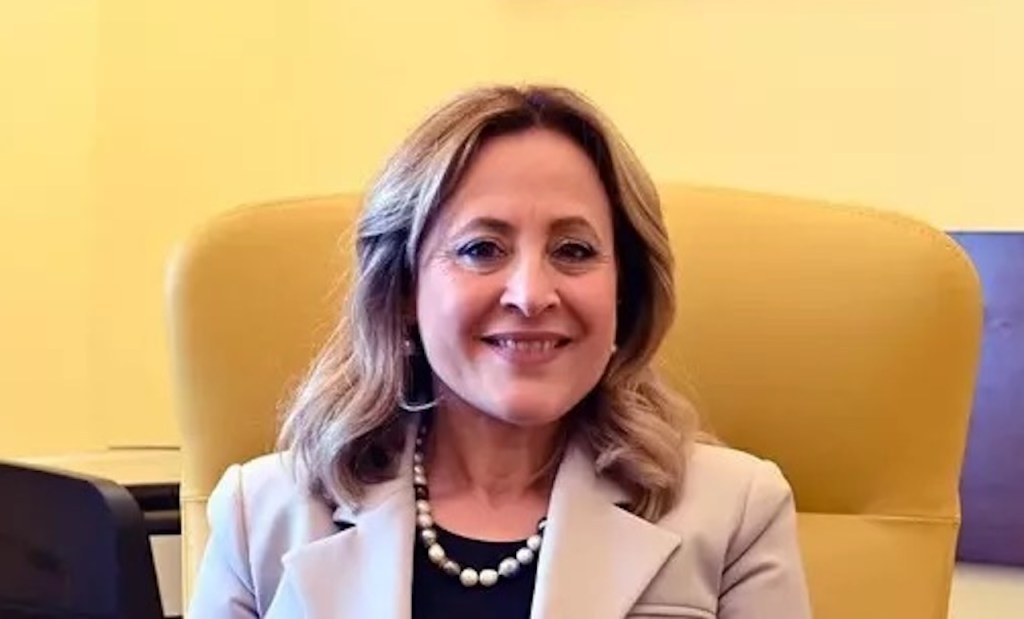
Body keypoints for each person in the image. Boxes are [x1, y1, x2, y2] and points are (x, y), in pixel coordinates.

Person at [188, 84, 812, 618]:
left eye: (574, 251)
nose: (532, 295)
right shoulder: (261, 514)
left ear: (625, 292)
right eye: (481, 249)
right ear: (403, 290)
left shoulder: (735, 512)